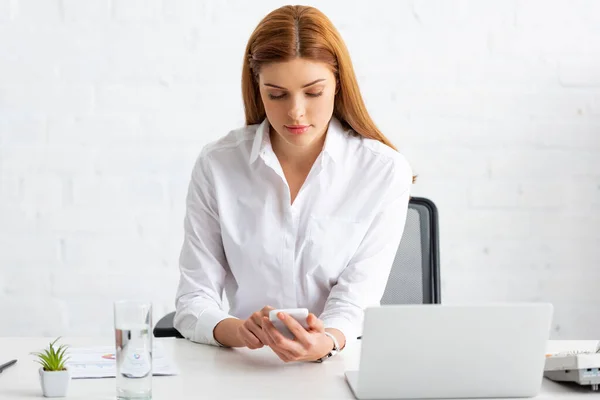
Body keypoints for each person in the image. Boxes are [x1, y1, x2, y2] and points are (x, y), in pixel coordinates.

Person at [174, 4, 414, 363]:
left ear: (338, 85)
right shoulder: (218, 165)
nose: (296, 112)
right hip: (245, 365)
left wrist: (328, 340)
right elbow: (194, 299)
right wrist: (236, 330)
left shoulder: (382, 171)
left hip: (340, 365)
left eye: (313, 92)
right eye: (277, 94)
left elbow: (356, 299)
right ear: (258, 91)